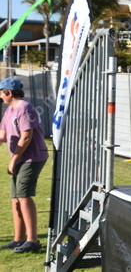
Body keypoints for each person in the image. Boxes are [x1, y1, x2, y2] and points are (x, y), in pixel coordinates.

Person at [0, 78, 49, 253]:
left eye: (1, 92)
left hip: (32, 158)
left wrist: (13, 160)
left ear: (9, 92)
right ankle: (18, 239)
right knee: (15, 198)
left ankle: (33, 241)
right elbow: (2, 136)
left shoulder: (25, 108)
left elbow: (26, 136)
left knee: (23, 196)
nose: (0, 96)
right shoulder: (9, 110)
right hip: (20, 158)